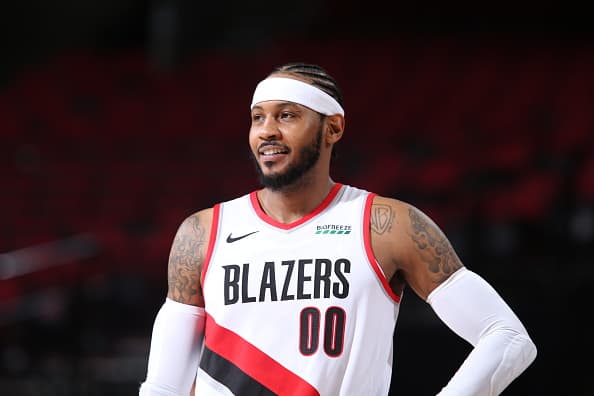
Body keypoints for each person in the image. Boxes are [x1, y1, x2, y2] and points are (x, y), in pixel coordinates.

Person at [139, 63, 537, 396]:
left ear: (333, 128)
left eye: (287, 115)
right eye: (258, 117)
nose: (267, 131)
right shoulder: (202, 232)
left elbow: (508, 337)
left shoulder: (387, 226)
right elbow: (163, 387)